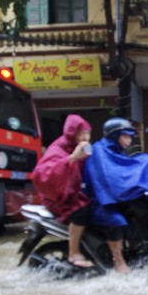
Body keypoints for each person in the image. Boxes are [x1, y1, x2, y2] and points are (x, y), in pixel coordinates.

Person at [31, 114, 93, 267]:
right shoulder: (58, 148)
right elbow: (43, 175)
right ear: (72, 133)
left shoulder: (83, 148)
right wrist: (71, 158)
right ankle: (73, 253)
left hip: (76, 192)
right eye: (81, 133)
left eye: (87, 133)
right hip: (60, 198)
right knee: (81, 210)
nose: (85, 137)